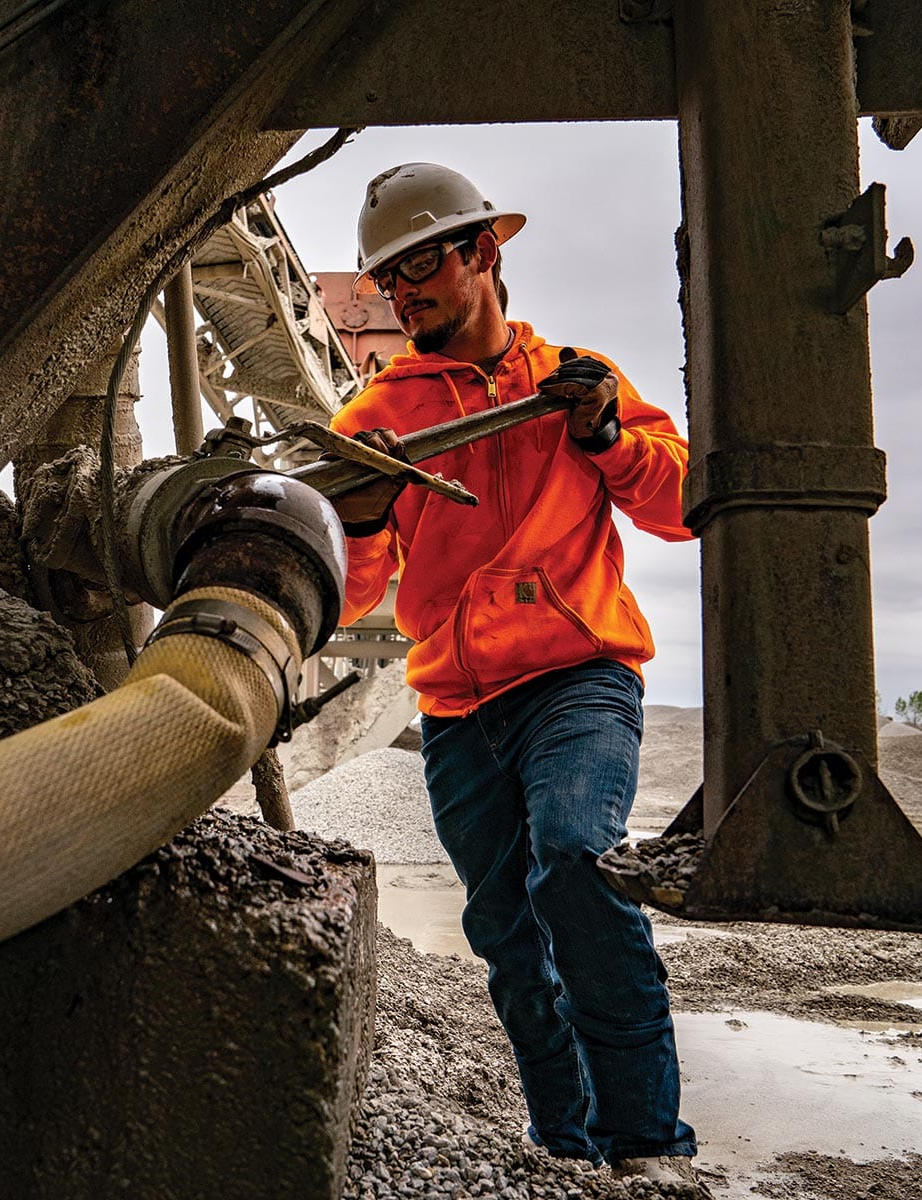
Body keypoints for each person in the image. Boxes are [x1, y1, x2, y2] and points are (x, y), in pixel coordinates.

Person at [328, 163, 703, 1186]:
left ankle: (646, 1147)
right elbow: (357, 590)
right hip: (458, 709)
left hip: (577, 679)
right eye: (391, 282)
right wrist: (361, 514)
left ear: (482, 253)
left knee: (576, 861)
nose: (406, 297)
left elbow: (680, 507)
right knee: (506, 938)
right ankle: (566, 1151)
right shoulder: (377, 421)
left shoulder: (576, 382)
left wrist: (608, 438)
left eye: (422, 270)